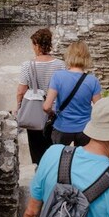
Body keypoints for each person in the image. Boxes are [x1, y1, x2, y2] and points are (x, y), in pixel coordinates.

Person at [17, 28, 66, 164]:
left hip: (35, 112)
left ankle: (40, 171)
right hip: (54, 112)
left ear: (37, 45)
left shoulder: (27, 65)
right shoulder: (61, 65)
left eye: (33, 45)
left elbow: (21, 91)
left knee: (37, 149)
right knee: (53, 147)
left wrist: (19, 107)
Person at [43, 41, 102, 147]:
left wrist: (53, 112)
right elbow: (99, 108)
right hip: (85, 128)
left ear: (68, 56)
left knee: (59, 158)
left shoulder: (58, 77)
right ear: (86, 57)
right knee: (82, 160)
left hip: (62, 126)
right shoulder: (92, 81)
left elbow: (46, 106)